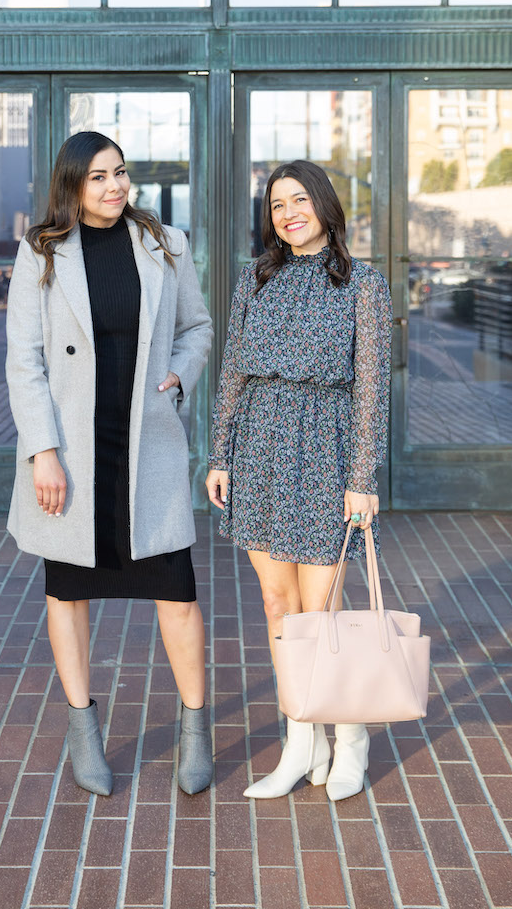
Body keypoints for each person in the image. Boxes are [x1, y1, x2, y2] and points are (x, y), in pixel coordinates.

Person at [6, 131, 214, 797]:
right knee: (68, 593)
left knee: (176, 594)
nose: (115, 187)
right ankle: (82, 731)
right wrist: (43, 452)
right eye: (98, 177)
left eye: (120, 173)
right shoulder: (39, 252)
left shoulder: (164, 244)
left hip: (145, 444)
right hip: (72, 449)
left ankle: (194, 729)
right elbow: (24, 360)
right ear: (73, 185)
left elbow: (197, 327)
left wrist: (180, 375)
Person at [205, 159, 391, 801]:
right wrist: (220, 454)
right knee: (279, 608)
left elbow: (371, 387)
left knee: (324, 611)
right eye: (277, 204)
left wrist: (363, 475)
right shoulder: (255, 280)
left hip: (326, 451)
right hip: (260, 450)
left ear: (325, 206)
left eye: (299, 199)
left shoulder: (363, 282)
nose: (288, 213)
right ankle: (299, 744)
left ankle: (350, 741)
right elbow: (233, 371)